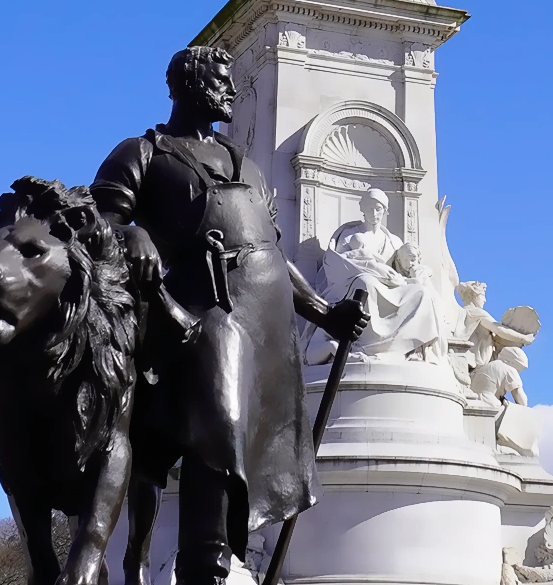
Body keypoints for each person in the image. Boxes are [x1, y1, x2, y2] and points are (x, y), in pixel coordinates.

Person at [91, 46, 367, 585]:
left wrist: (325, 313)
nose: (231, 92)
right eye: (220, 80)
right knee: (218, 427)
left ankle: (218, 558)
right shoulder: (143, 152)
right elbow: (101, 217)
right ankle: (206, 562)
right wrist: (134, 232)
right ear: (188, 84)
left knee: (248, 439)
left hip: (265, 321)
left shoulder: (250, 168)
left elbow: (271, 254)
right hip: (196, 310)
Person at [305, 189, 445, 365]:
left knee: (422, 292)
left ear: (385, 211)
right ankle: (363, 346)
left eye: (378, 209)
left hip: (390, 286)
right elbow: (336, 264)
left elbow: (404, 270)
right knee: (366, 283)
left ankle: (409, 346)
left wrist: (419, 273)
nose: (374, 213)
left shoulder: (394, 241)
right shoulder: (349, 234)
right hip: (351, 282)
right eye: (370, 208)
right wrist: (373, 268)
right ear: (363, 210)